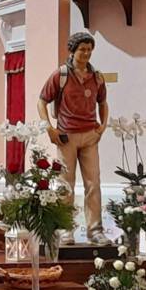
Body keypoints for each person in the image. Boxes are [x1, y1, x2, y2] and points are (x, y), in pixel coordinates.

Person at [38, 32, 109, 246]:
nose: (86, 53)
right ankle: (64, 229)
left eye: (89, 49)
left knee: (93, 183)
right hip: (66, 136)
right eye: (82, 49)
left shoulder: (96, 76)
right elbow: (42, 101)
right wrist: (49, 128)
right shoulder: (60, 75)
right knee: (65, 184)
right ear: (72, 51)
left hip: (90, 136)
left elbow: (103, 103)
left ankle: (95, 231)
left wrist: (102, 126)